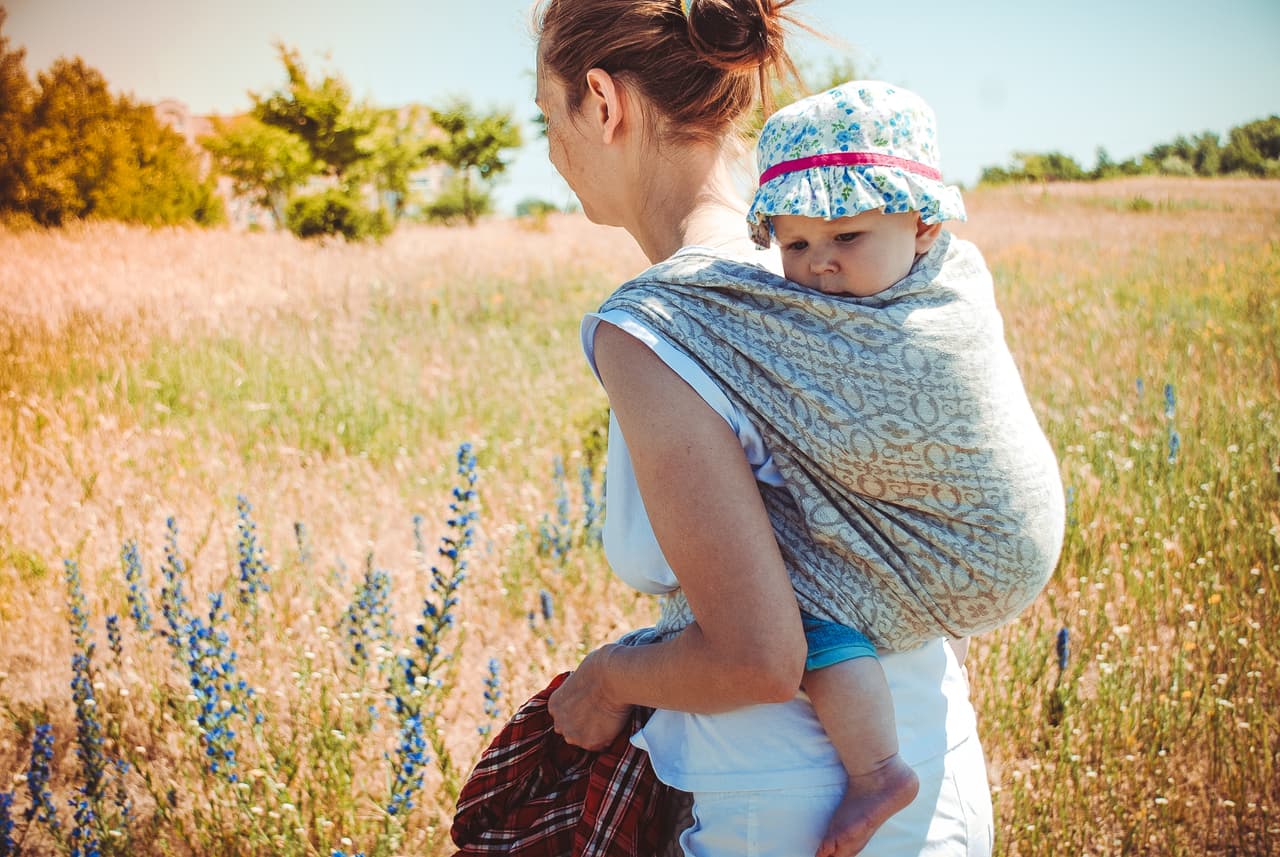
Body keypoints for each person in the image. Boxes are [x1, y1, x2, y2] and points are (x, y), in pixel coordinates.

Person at [532, 1, 1064, 855]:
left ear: (601, 101)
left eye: (546, 117)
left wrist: (605, 680)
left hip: (790, 808)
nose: (551, 151)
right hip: (941, 767)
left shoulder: (664, 323)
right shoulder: (860, 262)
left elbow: (758, 656)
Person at [736, 78, 1059, 855]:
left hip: (978, 547)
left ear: (922, 225)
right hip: (1001, 542)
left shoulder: (932, 317)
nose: (820, 265)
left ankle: (878, 767)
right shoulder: (943, 276)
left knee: (794, 591)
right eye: (795, 245)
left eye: (846, 236)